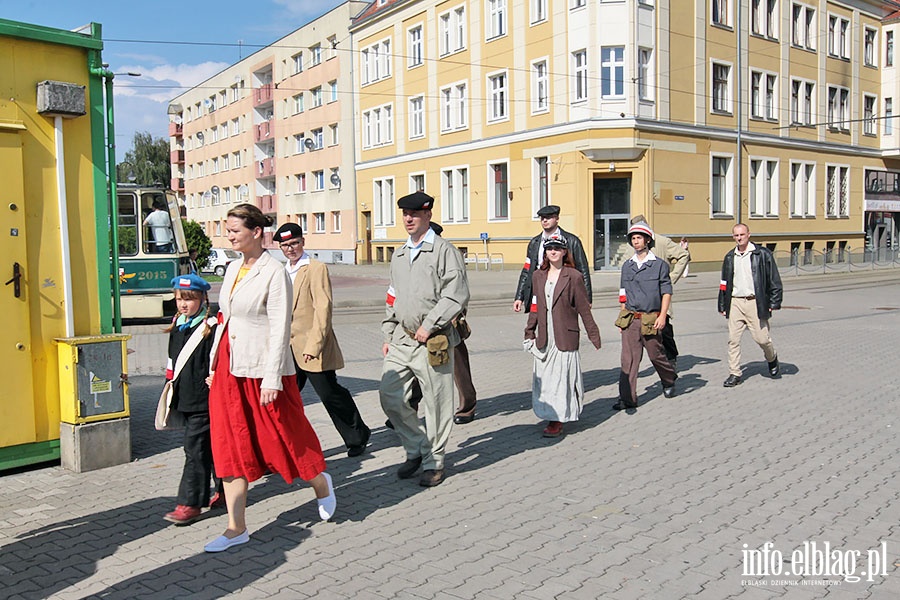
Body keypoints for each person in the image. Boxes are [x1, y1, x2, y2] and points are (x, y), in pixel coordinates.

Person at [204, 203, 335, 553]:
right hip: (230, 368)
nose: (229, 235)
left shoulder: (274, 272)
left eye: (235, 230)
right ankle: (236, 527)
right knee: (229, 442)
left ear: (256, 232)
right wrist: (214, 364)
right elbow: (225, 319)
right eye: (227, 230)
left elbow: (280, 329)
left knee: (283, 437)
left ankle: (320, 483)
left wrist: (273, 378)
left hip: (264, 370)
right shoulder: (231, 269)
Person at [379, 191, 470, 487]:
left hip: (433, 341)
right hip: (402, 340)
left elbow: (455, 294)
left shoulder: (444, 251)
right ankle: (417, 446)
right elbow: (393, 297)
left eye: (414, 214)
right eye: (405, 213)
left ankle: (434, 461)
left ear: (428, 215)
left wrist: (430, 325)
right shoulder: (400, 253)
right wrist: (389, 332)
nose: (408, 219)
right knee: (390, 396)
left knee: (437, 403)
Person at [273, 222, 371, 457]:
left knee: (329, 394)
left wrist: (314, 345)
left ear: (303, 242)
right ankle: (285, 448)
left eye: (294, 243)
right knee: (285, 400)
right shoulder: (280, 271)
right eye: (285, 245)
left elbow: (323, 308)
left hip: (312, 346)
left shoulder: (315, 268)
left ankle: (357, 435)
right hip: (287, 348)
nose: (290, 249)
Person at [162, 273, 224, 526]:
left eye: (189, 299)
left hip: (204, 400)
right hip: (184, 399)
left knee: (194, 450)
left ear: (202, 299)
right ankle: (226, 490)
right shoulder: (179, 324)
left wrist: (216, 378)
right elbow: (171, 362)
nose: (183, 304)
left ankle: (189, 503)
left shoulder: (211, 327)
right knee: (209, 448)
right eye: (179, 299)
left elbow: (219, 360)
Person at [524, 236, 601, 437]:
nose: (554, 252)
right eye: (550, 249)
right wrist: (529, 330)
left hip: (565, 336)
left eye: (558, 249)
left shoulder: (573, 276)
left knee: (561, 380)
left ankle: (557, 420)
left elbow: (584, 308)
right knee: (546, 380)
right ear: (545, 253)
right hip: (545, 337)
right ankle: (550, 414)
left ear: (565, 252)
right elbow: (535, 305)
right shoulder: (538, 276)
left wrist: (593, 334)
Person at [404, 221, 477, 425]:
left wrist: (457, 313)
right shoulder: (413, 254)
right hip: (421, 322)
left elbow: (459, 288)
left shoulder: (448, 252)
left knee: (458, 366)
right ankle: (409, 408)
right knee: (417, 367)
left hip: (447, 319)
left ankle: (467, 405)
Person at [614, 221, 678, 409]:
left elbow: (666, 292)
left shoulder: (659, 265)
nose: (636, 242)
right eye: (633, 238)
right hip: (631, 318)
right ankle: (627, 399)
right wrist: (622, 317)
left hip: (651, 318)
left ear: (647, 240)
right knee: (628, 359)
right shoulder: (627, 266)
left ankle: (669, 379)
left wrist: (662, 316)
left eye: (639, 238)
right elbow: (623, 294)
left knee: (656, 355)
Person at [718, 223, 783, 387]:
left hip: (755, 302)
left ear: (748, 234)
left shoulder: (761, 254)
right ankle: (735, 373)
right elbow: (724, 283)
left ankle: (772, 358)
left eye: (742, 235)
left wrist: (774, 301)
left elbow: (773, 279)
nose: (739, 238)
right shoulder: (729, 257)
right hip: (735, 302)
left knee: (762, 339)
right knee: (733, 340)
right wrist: (722, 303)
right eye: (736, 235)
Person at [621, 215, 690, 369]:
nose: (636, 239)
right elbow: (625, 268)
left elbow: (684, 255)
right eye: (633, 235)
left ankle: (671, 359)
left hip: (659, 296)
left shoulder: (662, 241)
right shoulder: (631, 246)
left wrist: (671, 278)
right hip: (638, 301)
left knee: (664, 329)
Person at [513, 204, 591, 313]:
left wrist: (587, 298)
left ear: (557, 219)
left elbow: (583, 270)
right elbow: (527, 270)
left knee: (562, 324)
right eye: (542, 218)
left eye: (548, 217)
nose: (545, 220)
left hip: (563, 290)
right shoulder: (535, 242)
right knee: (538, 324)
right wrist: (519, 297)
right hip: (539, 290)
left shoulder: (572, 241)